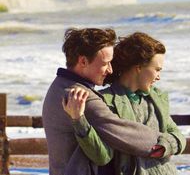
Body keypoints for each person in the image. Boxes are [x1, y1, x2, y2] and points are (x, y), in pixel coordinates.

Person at [42, 28, 173, 175]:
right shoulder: (78, 94)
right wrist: (167, 142)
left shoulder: (60, 84)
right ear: (83, 61)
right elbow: (121, 131)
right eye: (105, 63)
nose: (110, 70)